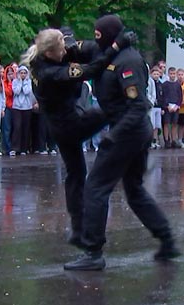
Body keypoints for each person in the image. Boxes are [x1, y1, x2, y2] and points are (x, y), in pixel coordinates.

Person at [64, 15, 179, 271]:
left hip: (129, 132)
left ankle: (93, 252)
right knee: (135, 190)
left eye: (98, 35)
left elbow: (138, 107)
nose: (95, 39)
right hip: (127, 131)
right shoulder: (107, 51)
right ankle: (167, 239)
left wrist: (113, 136)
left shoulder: (129, 62)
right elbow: (81, 52)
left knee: (95, 187)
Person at [24, 27, 121, 246]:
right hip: (71, 125)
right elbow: (92, 70)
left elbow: (67, 45)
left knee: (76, 175)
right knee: (110, 109)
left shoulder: (39, 55)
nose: (65, 52)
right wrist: (115, 47)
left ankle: (77, 230)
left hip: (59, 127)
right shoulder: (50, 73)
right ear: (50, 53)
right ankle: (127, 136)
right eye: (61, 50)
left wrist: (69, 41)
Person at [161, 67, 183, 148]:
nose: (172, 75)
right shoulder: (165, 85)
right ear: (168, 74)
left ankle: (174, 140)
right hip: (167, 107)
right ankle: (167, 140)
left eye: (174, 74)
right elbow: (163, 96)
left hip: (175, 107)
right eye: (171, 73)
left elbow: (180, 97)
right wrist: (166, 106)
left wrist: (177, 105)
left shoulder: (178, 85)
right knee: (166, 123)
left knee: (174, 124)